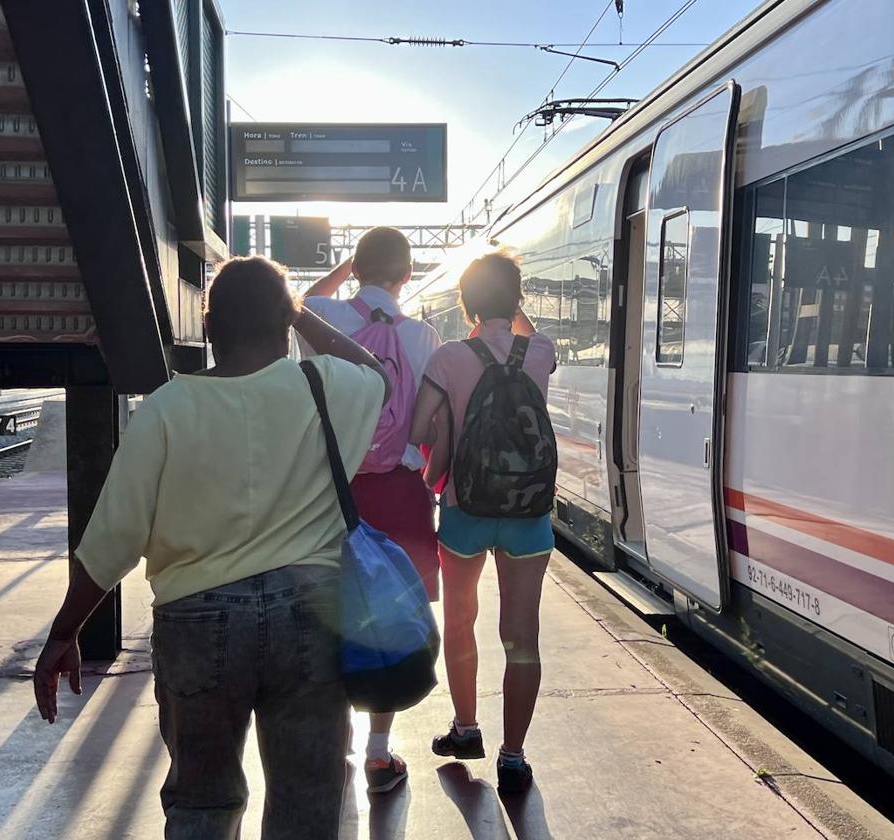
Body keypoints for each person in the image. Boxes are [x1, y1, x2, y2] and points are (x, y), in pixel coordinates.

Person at [32, 256, 391, 839]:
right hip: (310, 613)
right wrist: (300, 314)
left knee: (202, 804)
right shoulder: (325, 387)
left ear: (208, 329)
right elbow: (376, 372)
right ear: (285, 323)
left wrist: (64, 631)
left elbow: (113, 538)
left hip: (198, 620)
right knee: (308, 804)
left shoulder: (169, 407)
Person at [299, 227, 442, 795]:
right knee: (389, 616)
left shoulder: (324, 314)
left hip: (335, 491)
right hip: (401, 492)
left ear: (356, 270)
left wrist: (340, 272)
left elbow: (304, 300)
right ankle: (380, 754)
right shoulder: (424, 336)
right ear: (407, 275)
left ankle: (335, 746)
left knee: (329, 613)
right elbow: (428, 423)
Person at [409, 250, 557, 794]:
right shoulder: (540, 349)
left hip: (465, 511)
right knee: (522, 637)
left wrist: (448, 420)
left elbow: (418, 425)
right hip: (529, 517)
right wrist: (514, 315)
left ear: (467, 304)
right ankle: (513, 755)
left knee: (461, 620)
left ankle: (465, 728)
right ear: (518, 299)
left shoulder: (450, 356)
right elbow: (526, 334)